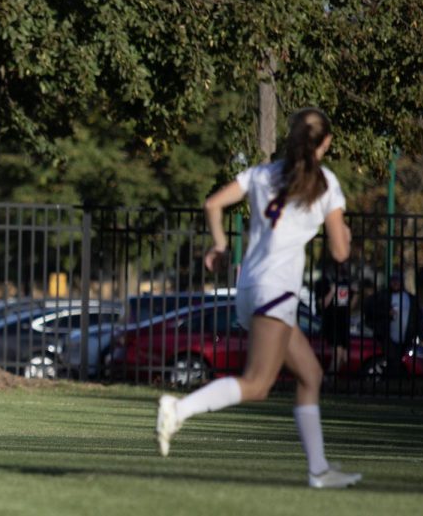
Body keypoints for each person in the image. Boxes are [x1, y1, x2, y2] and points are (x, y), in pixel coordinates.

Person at [155, 108, 362, 488]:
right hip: (276, 289)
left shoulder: (263, 173)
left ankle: (319, 470)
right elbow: (340, 252)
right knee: (257, 384)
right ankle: (179, 407)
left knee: (310, 374)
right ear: (326, 143)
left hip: (250, 288)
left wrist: (219, 244)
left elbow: (213, 204)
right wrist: (343, 233)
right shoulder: (325, 183)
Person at [315, 263, 352, 373]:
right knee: (338, 354)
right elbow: (322, 305)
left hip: (343, 323)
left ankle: (333, 380)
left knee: (344, 357)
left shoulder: (344, 282)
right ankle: (329, 380)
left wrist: (355, 293)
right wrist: (332, 291)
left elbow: (350, 306)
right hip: (332, 322)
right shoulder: (322, 283)